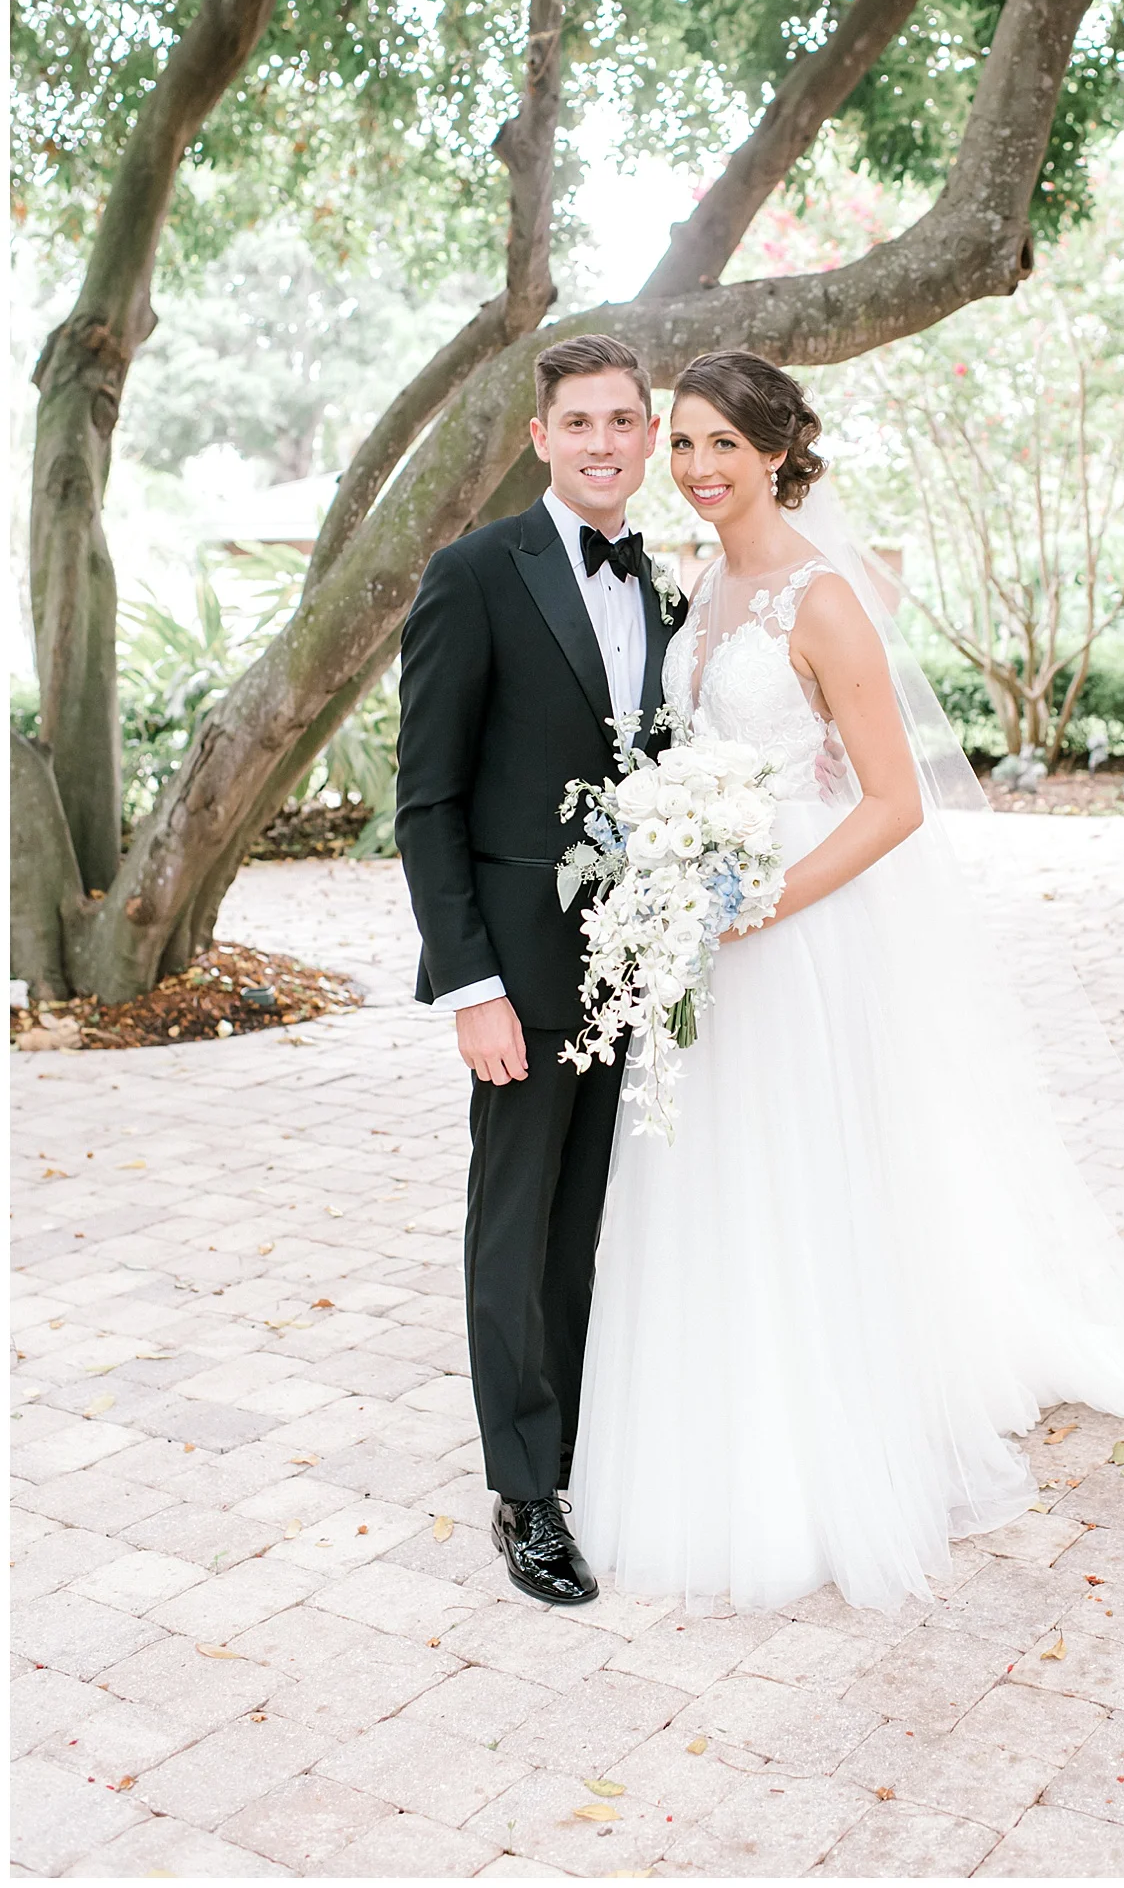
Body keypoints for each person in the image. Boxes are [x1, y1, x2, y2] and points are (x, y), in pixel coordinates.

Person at [569, 350, 1124, 1614]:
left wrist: (761, 900)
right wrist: (673, 874)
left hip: (797, 931)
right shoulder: (703, 584)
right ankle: (715, 1430)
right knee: (711, 1177)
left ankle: (825, 1454)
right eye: (688, 444)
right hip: (704, 932)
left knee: (808, 1180)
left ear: (779, 451)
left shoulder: (823, 602)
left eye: (726, 444)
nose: (702, 468)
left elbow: (892, 805)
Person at [394, 333, 686, 1607]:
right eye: (582, 422)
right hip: (520, 969)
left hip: (645, 960)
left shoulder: (669, 590)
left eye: (627, 420)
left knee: (594, 1217)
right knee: (515, 1225)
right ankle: (525, 1493)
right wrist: (471, 987)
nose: (606, 442)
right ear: (541, 439)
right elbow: (427, 802)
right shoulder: (475, 572)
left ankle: (580, 1444)